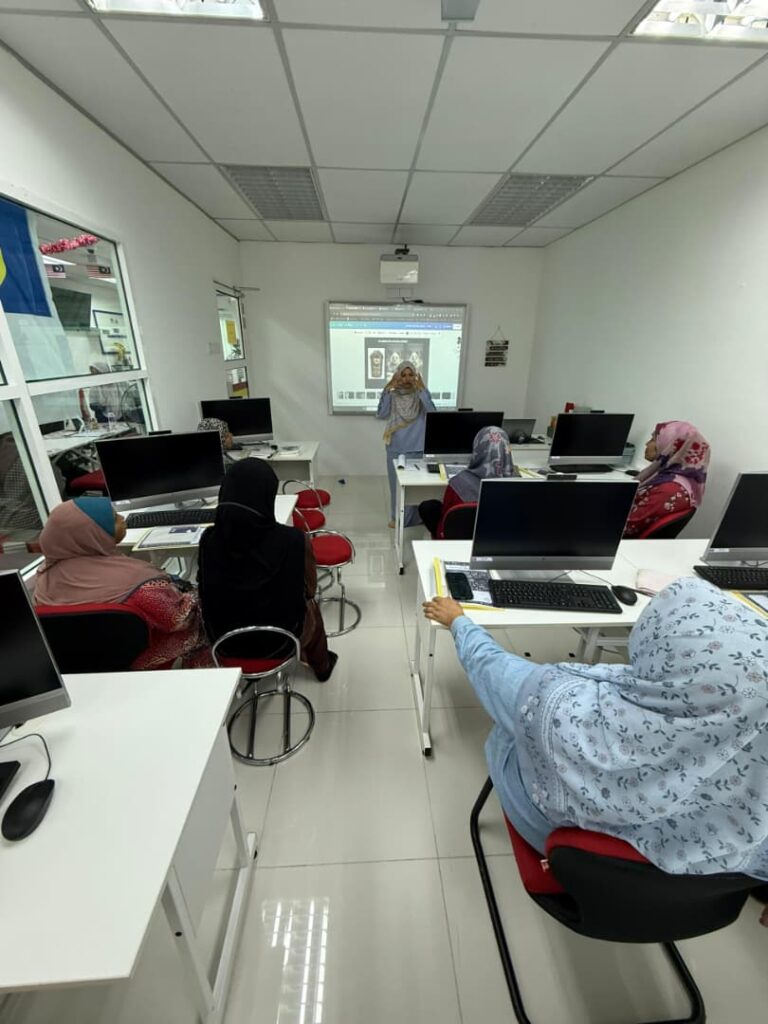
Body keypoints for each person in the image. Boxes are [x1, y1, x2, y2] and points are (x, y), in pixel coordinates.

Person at [423, 577, 768, 899]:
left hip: (584, 858)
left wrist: (459, 621)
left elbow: (491, 668)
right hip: (695, 891)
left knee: (513, 723)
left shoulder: (569, 711)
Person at [198, 458, 337, 682]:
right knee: (311, 606)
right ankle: (322, 667)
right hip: (282, 642)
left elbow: (203, 590)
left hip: (224, 644)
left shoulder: (208, 540)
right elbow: (310, 590)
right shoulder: (294, 539)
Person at [33, 497, 210, 669]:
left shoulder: (43, 580)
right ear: (93, 534)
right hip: (141, 662)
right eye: (114, 518)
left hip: (82, 667)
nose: (122, 518)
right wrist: (201, 591)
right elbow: (181, 618)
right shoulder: (140, 583)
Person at [418, 426, 516, 538]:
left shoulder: (458, 483)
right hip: (497, 540)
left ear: (477, 449)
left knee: (429, 507)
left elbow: (447, 516)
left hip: (456, 539)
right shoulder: (519, 486)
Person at [624, 421, 710, 538]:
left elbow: (627, 527)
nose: (647, 443)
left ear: (671, 446)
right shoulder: (672, 479)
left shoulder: (668, 490)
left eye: (653, 439)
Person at [376, 361, 435, 528]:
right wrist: (388, 389)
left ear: (415, 376)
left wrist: (422, 390)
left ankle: (415, 517)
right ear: (398, 376)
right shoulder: (393, 395)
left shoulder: (421, 395)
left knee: (414, 486)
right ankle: (398, 518)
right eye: (403, 375)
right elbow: (382, 413)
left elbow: (433, 413)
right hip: (396, 447)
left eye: (411, 375)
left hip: (417, 447)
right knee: (396, 485)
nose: (407, 379)